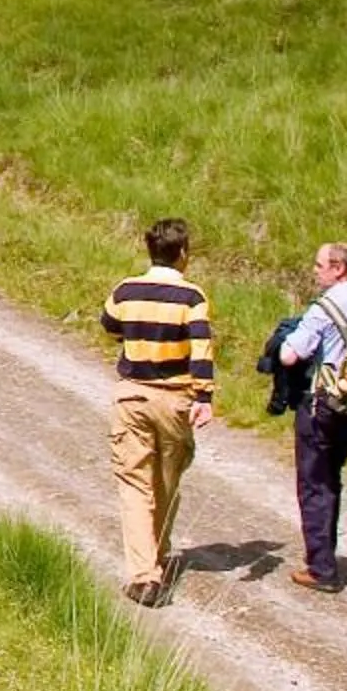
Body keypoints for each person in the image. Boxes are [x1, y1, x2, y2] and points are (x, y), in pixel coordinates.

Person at [101, 217, 216, 605]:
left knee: (135, 483)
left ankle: (143, 574)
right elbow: (201, 349)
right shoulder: (192, 298)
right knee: (167, 481)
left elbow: (111, 326)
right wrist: (204, 397)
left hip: (132, 395)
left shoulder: (125, 290)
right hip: (175, 398)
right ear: (182, 253)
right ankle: (158, 556)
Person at [273, 243, 347, 591]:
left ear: (339, 269)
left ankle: (321, 568)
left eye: (320, 265)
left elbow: (291, 355)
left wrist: (278, 342)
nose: (315, 270)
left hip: (323, 401)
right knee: (331, 476)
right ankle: (325, 552)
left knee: (313, 482)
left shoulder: (324, 308)